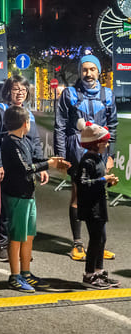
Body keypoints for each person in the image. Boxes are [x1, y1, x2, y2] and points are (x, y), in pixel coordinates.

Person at [54, 53, 118, 261]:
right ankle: (78, 244)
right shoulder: (69, 94)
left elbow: (113, 126)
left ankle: (98, 244)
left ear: (99, 71)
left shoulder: (108, 94)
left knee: (100, 196)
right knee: (78, 195)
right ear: (80, 71)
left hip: (101, 152)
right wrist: (61, 155)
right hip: (76, 151)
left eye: (92, 69)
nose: (88, 73)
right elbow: (60, 125)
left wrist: (111, 155)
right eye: (85, 70)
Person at [1, 106, 69, 293]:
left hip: (28, 194)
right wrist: (49, 164)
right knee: (16, 237)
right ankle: (14, 276)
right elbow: (26, 168)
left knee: (28, 236)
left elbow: (35, 160)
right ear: (25, 123)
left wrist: (51, 162)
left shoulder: (24, 140)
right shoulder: (9, 142)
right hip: (16, 195)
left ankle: (26, 272)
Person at [0, 75, 43, 263]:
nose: (20, 93)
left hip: (24, 167)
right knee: (3, 205)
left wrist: (41, 166)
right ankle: (1, 244)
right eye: (16, 89)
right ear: (8, 91)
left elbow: (35, 141)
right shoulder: (0, 109)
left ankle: (18, 245)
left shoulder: (29, 114)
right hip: (5, 165)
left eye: (23, 90)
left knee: (22, 207)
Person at [70, 120, 120, 289]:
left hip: (100, 204)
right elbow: (83, 183)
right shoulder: (87, 160)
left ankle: (99, 271)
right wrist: (102, 180)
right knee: (95, 239)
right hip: (91, 207)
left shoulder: (98, 158)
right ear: (96, 143)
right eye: (105, 142)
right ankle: (89, 274)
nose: (107, 145)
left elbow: (97, 181)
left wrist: (108, 182)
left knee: (101, 239)